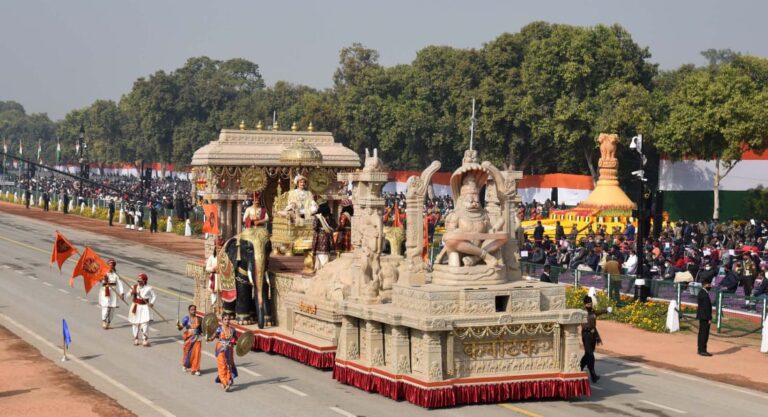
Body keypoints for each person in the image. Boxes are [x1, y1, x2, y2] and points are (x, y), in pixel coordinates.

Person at [210, 313, 238, 392]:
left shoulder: (232, 330)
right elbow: (213, 336)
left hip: (229, 350)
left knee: (229, 366)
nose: (227, 321)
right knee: (222, 366)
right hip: (221, 349)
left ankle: (225, 381)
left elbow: (236, 339)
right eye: (225, 319)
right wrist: (209, 338)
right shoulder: (219, 329)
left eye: (228, 319)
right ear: (222, 320)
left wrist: (236, 342)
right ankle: (226, 383)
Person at [580, 295, 604, 382]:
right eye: (588, 304)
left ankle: (580, 367)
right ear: (585, 304)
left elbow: (599, 312)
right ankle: (593, 375)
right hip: (586, 335)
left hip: (592, 335)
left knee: (588, 354)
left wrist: (606, 310)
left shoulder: (593, 312)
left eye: (591, 303)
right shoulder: (582, 313)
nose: (590, 305)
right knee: (590, 356)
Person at [129, 273, 156, 346]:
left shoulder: (149, 288)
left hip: (144, 307)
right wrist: (131, 292)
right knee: (135, 323)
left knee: (145, 323)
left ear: (144, 281)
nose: (138, 282)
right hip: (135, 306)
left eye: (140, 280)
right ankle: (136, 339)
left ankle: (145, 340)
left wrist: (152, 303)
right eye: (138, 280)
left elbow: (154, 296)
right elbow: (127, 295)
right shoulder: (134, 287)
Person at [98, 259, 125, 330]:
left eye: (112, 265)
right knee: (106, 306)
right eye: (109, 265)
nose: (110, 266)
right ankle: (104, 321)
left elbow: (120, 283)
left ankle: (108, 323)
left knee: (112, 308)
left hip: (113, 292)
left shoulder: (116, 274)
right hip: (105, 291)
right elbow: (99, 281)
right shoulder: (103, 273)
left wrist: (122, 292)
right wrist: (102, 279)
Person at [179, 305, 202, 375]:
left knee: (197, 353)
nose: (193, 311)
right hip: (189, 338)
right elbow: (180, 328)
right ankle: (185, 365)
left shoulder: (199, 319)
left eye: (194, 309)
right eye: (192, 309)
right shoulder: (186, 319)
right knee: (187, 352)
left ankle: (196, 369)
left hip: (197, 338)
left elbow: (202, 329)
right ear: (189, 311)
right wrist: (178, 325)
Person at [312, 202, 336, 270]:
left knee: (321, 255)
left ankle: (322, 272)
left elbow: (314, 227)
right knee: (327, 254)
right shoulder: (331, 216)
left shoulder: (318, 217)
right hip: (329, 236)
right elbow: (335, 226)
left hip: (320, 237)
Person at [696, 278, 713, 356]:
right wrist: (709, 318)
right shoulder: (705, 294)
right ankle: (703, 350)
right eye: (709, 285)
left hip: (702, 316)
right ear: (706, 285)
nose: (711, 286)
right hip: (705, 317)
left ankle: (700, 349)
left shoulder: (701, 292)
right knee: (704, 333)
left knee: (701, 333)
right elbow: (706, 307)